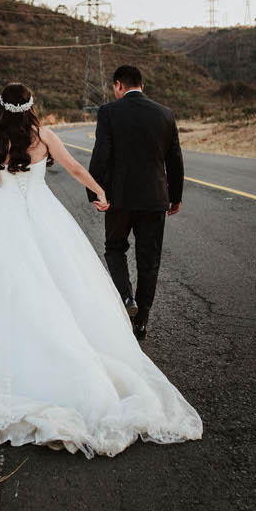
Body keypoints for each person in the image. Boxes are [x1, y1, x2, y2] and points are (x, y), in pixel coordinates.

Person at [0, 82, 202, 458]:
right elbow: (74, 167)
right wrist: (99, 191)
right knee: (64, 285)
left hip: (4, 219)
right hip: (46, 216)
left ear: (0, 108)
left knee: (5, 288)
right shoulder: (44, 135)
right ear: (30, 106)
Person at [87, 65, 184, 340]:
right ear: (142, 85)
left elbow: (101, 153)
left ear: (118, 85)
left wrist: (96, 192)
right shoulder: (165, 113)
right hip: (155, 199)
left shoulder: (108, 112)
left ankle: (126, 298)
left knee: (114, 248)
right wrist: (175, 197)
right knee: (149, 258)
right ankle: (141, 320)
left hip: (118, 198)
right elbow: (174, 160)